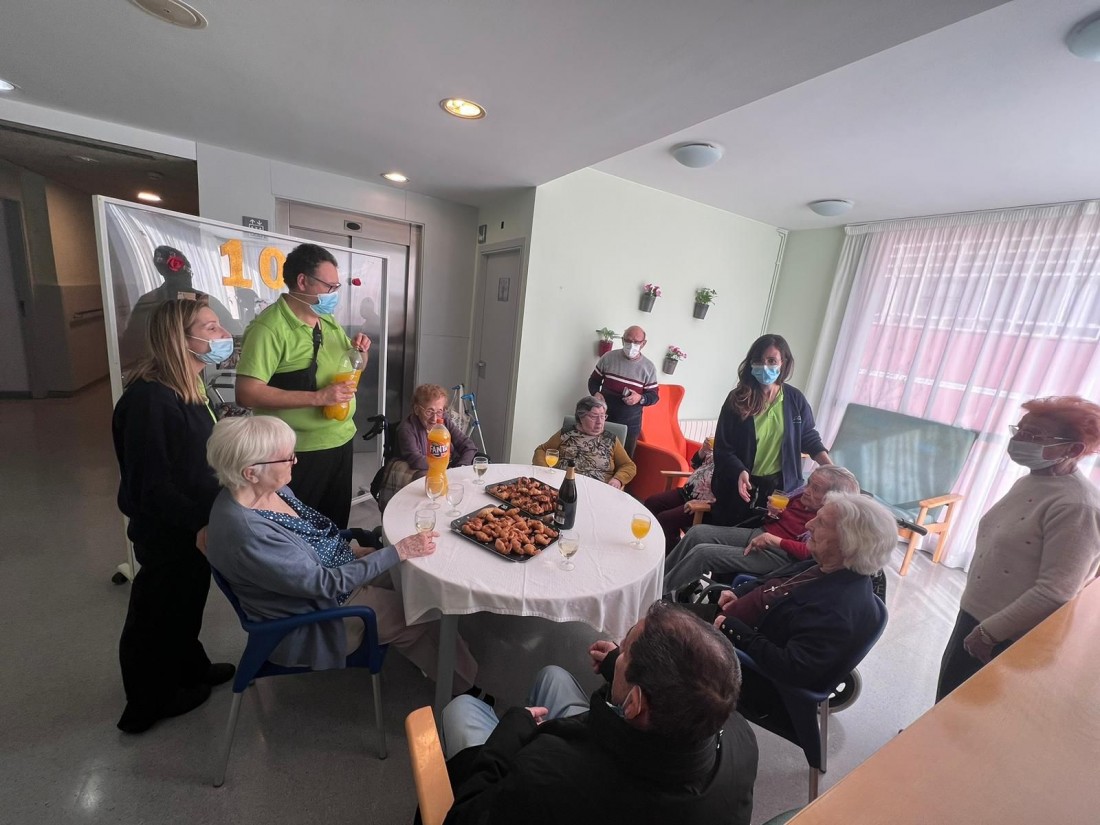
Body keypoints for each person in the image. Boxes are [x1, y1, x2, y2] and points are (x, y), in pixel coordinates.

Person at [204, 415, 486, 697]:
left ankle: (440, 658)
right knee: (420, 612)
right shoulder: (249, 534)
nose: (295, 461)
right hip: (320, 612)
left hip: (334, 575)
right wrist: (397, 551)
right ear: (250, 472)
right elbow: (323, 584)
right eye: (287, 458)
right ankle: (465, 690)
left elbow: (309, 538)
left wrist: (352, 550)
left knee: (419, 579)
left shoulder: (267, 490)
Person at [439, 601, 758, 825]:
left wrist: (509, 735)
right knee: (553, 676)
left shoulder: (547, 773)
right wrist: (619, 668)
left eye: (625, 651)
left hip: (571, 787)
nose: (619, 652)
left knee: (462, 709)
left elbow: (464, 818)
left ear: (633, 704)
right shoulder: (739, 737)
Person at [111, 297, 236, 734]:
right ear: (180, 340)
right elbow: (152, 486)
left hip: (193, 521)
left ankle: (189, 666)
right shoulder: (150, 401)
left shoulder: (190, 389)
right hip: (169, 527)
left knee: (186, 601)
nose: (223, 336)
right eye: (211, 328)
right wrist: (198, 523)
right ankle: (148, 701)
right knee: (157, 609)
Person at [936, 396, 1100, 701]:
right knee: (947, 695)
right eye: (1019, 430)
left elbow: (1056, 591)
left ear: (1074, 450)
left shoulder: (1077, 506)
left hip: (1005, 635)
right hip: (976, 614)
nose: (1020, 440)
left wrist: (989, 633)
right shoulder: (1034, 480)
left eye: (1034, 435)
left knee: (965, 711)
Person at [706, 493, 894, 715]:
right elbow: (774, 580)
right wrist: (739, 592)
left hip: (745, 670)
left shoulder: (837, 609)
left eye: (821, 523)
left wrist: (732, 629)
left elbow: (791, 668)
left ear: (848, 543)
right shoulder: (825, 564)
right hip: (729, 627)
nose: (808, 524)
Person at [235, 243, 371, 529]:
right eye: (329, 286)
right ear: (302, 281)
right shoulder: (269, 329)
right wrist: (318, 398)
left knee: (334, 525)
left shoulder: (327, 320)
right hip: (296, 454)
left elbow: (352, 368)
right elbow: (246, 393)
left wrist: (361, 353)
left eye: (336, 287)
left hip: (340, 441)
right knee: (300, 531)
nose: (334, 294)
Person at [662, 466, 861, 596]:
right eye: (809, 483)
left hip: (780, 555)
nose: (807, 490)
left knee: (703, 553)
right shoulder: (801, 495)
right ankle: (658, 578)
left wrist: (775, 541)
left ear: (833, 497)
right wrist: (773, 513)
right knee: (698, 533)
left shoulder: (827, 519)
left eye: (816, 488)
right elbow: (773, 519)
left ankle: (658, 593)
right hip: (761, 533)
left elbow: (809, 553)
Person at [711, 334, 831, 527]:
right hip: (741, 488)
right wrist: (739, 470)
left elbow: (808, 436)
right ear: (751, 363)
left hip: (780, 490)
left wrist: (831, 468)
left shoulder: (795, 399)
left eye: (771, 361)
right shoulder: (737, 399)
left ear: (784, 363)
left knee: (766, 537)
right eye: (758, 361)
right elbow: (723, 449)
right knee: (729, 535)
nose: (765, 366)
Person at [533, 396, 636, 489]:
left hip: (598, 490)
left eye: (602, 416)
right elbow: (542, 450)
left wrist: (618, 479)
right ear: (580, 417)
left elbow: (628, 465)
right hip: (562, 485)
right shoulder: (566, 434)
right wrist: (544, 471)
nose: (599, 422)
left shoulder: (610, 439)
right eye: (594, 416)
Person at [588, 325, 659, 456]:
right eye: (628, 340)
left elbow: (654, 396)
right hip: (602, 419)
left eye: (636, 342)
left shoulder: (649, 367)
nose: (632, 345)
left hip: (630, 425)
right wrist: (596, 393)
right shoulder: (608, 357)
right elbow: (593, 381)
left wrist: (640, 398)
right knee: (595, 457)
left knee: (624, 462)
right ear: (622, 340)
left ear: (643, 343)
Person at [642, 437, 716, 550]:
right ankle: (651, 544)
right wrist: (703, 450)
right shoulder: (718, 450)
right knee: (651, 502)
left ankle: (672, 554)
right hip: (685, 493)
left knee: (666, 520)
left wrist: (706, 503)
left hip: (701, 507)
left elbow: (728, 498)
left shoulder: (735, 464)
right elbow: (694, 464)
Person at [396, 383, 479, 473]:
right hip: (426, 472)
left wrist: (461, 466)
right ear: (416, 409)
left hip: (451, 467)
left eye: (439, 411)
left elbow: (468, 445)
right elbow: (416, 460)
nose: (435, 419)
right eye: (429, 411)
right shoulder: (407, 429)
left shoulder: (444, 420)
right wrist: (445, 467)